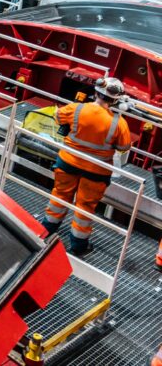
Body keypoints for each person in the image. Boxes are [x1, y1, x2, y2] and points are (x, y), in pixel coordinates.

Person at [42, 77, 131, 255]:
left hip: (68, 162)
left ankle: (46, 231)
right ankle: (78, 246)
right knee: (85, 206)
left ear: (96, 92)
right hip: (96, 171)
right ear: (115, 100)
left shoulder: (77, 108)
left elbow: (58, 116)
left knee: (60, 196)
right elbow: (124, 147)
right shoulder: (118, 123)